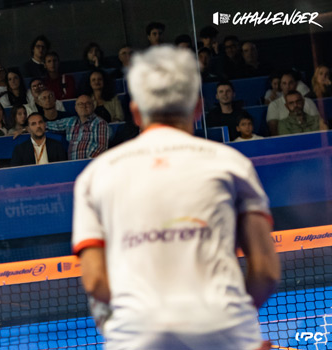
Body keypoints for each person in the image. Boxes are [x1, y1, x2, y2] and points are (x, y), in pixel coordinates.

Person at [73, 45, 280, 350]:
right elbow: (264, 271)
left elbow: (94, 282)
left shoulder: (95, 175)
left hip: (137, 336)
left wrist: (141, 315)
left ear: (135, 112)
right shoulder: (232, 164)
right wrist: (223, 317)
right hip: (226, 332)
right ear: (198, 107)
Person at [46, 94, 110, 160]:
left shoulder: (100, 123)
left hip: (89, 165)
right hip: (73, 165)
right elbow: (49, 125)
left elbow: (101, 148)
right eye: (80, 104)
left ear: (93, 106)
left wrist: (85, 163)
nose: (84, 106)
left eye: (88, 103)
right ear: (76, 108)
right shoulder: (71, 121)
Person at [267, 71, 324, 136]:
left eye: (290, 83)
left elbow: (319, 123)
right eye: (284, 83)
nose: (287, 86)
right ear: (281, 86)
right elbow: (274, 133)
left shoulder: (309, 102)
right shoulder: (274, 105)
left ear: (296, 84)